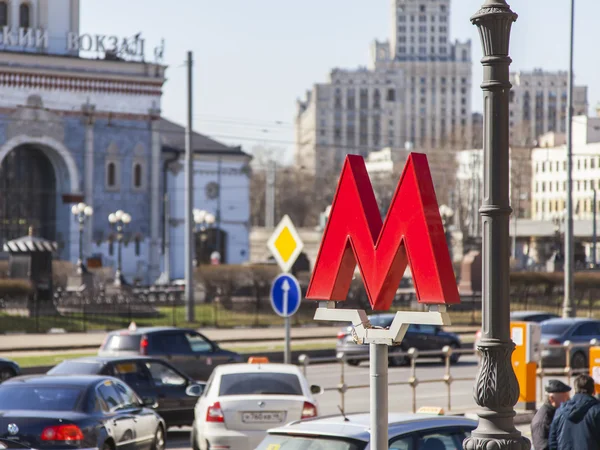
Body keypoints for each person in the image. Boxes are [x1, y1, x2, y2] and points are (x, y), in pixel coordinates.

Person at [549, 374, 600, 450]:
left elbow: (552, 441)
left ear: (575, 390)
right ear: (594, 391)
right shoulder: (597, 410)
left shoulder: (560, 411)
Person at [531, 379, 571, 450]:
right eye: (566, 398)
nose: (569, 401)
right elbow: (542, 447)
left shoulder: (555, 412)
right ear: (552, 399)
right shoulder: (542, 421)